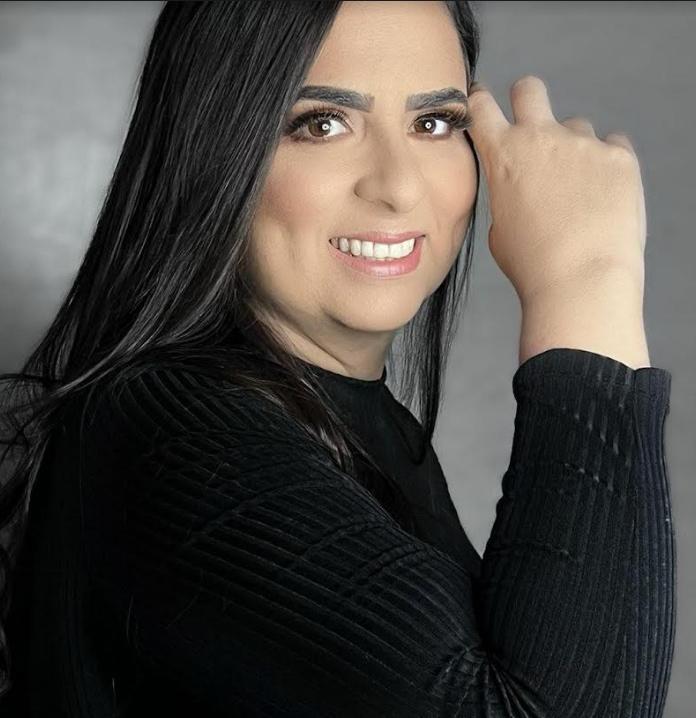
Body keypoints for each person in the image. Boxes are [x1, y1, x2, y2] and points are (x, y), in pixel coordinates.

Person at [0, 1, 675, 716]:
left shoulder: (353, 425)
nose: (398, 186)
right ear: (214, 150)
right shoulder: (176, 438)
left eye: (434, 123)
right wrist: (584, 281)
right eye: (322, 123)